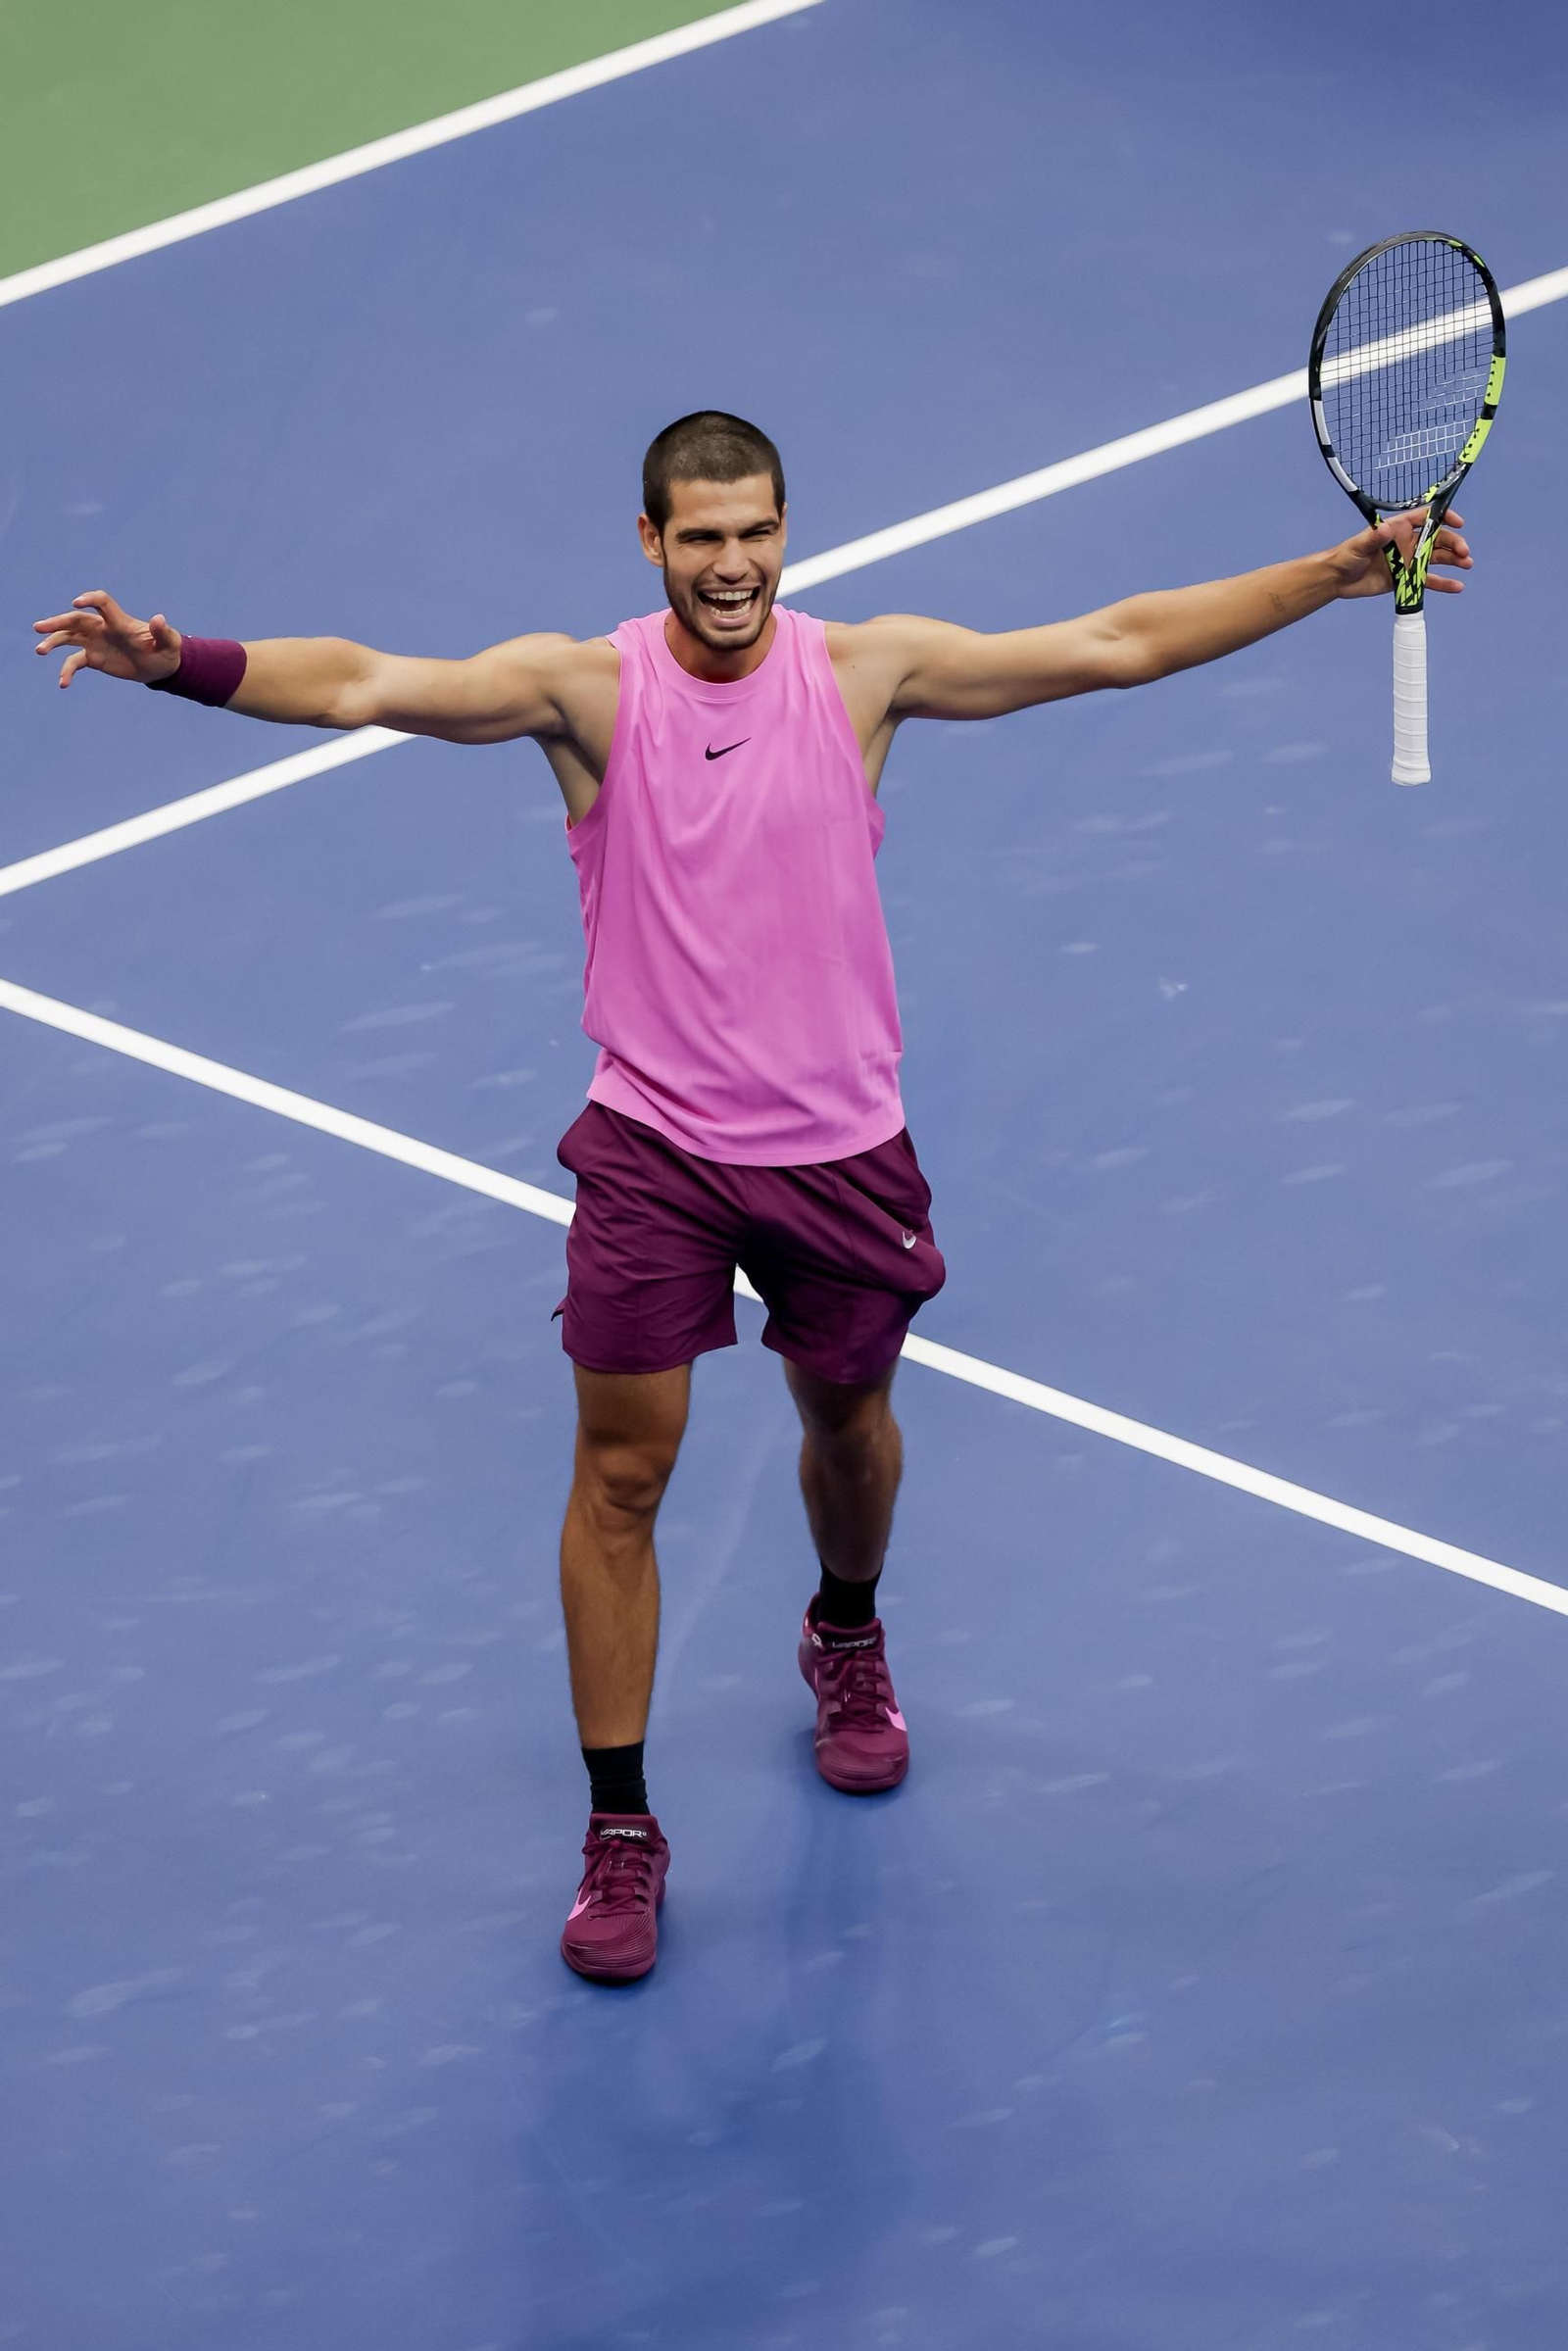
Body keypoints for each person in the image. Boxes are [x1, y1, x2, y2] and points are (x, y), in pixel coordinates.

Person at [32, 410, 1472, 1984]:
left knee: (846, 1425)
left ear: (789, 535)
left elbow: (1117, 643)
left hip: (843, 1149)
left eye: (757, 533)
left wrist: (1331, 575)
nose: (734, 565)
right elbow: (373, 681)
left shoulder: (868, 673)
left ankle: (844, 1629)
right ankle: (621, 1828)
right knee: (622, 1480)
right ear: (650, 545)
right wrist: (184, 662)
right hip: (654, 1148)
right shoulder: (584, 693)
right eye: (702, 537)